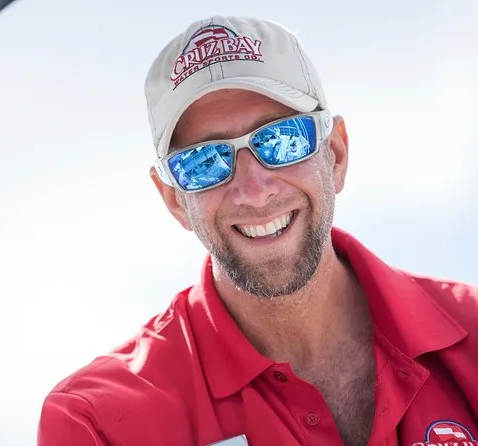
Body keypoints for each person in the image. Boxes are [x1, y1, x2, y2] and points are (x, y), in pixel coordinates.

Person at [37, 15, 478, 446]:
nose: (253, 191)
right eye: (204, 161)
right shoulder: (98, 425)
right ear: (174, 200)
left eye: (283, 139)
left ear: (336, 154)